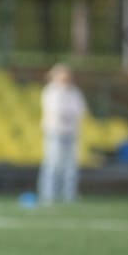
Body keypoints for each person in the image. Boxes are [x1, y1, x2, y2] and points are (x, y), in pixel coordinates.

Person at [37, 63, 85, 204]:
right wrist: (68, 114)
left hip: (71, 132)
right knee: (52, 164)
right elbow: (57, 110)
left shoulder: (74, 92)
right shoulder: (51, 92)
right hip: (55, 132)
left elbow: (79, 110)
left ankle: (69, 194)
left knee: (71, 166)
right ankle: (48, 194)